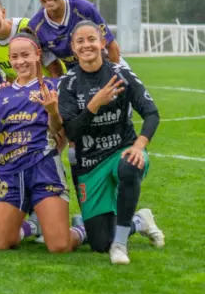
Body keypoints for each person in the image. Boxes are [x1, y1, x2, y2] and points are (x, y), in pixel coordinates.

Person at [0, 32, 87, 252]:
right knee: (0, 243)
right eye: (15, 57)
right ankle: (31, 226)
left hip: (43, 168)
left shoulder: (53, 87)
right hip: (9, 172)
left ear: (37, 55)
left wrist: (52, 111)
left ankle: (83, 229)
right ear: (10, 60)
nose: (21, 62)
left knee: (58, 246)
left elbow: (57, 130)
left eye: (25, 55)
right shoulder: (1, 94)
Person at [58, 20, 165, 264]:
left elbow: (151, 113)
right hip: (89, 163)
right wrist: (95, 103)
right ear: (73, 48)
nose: (87, 45)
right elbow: (72, 132)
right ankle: (141, 220)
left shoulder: (121, 74)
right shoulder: (69, 83)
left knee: (131, 164)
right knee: (98, 243)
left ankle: (120, 245)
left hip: (121, 151)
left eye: (91, 40)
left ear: (102, 43)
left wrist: (139, 146)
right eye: (80, 41)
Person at [29, 0, 121, 73]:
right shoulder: (36, 27)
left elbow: (112, 47)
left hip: (107, 67)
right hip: (77, 78)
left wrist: (113, 78)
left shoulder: (84, 9)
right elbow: (53, 67)